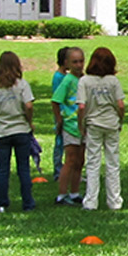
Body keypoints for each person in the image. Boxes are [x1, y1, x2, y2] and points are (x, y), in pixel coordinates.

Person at [78, 46, 128, 210]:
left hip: (93, 124)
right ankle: (114, 201)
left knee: (92, 163)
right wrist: (120, 120)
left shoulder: (85, 81)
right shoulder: (113, 81)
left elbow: (81, 106)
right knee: (112, 162)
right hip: (111, 123)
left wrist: (82, 125)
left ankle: (91, 201)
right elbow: (120, 105)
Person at [0, 51, 40, 212]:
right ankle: (28, 203)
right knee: (23, 168)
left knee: (3, 169)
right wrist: (29, 121)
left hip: (2, 132)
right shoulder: (22, 85)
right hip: (21, 129)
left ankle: (1, 202)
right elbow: (29, 105)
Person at [48, 46, 88, 206]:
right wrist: (59, 120)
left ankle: (75, 192)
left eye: (81, 61)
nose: (79, 65)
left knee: (80, 161)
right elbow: (56, 100)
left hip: (83, 126)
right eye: (75, 62)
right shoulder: (67, 80)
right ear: (68, 63)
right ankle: (62, 194)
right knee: (70, 160)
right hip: (70, 125)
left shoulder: (84, 80)